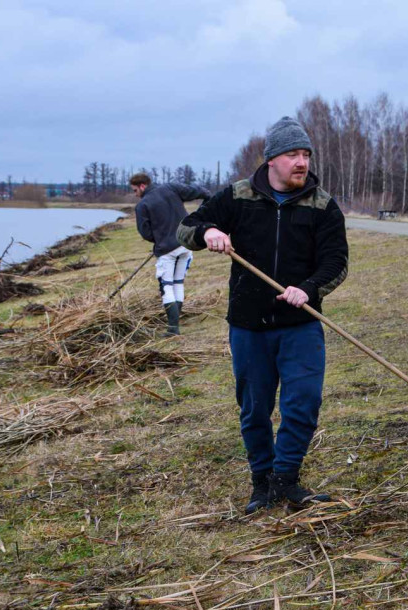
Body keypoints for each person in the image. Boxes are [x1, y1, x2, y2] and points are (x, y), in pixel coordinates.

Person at [177, 116, 348, 513]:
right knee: (254, 407)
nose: (301, 162)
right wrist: (207, 233)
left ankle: (286, 480)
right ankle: (261, 483)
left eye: (305, 154)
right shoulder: (236, 197)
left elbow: (336, 262)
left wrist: (307, 288)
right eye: (293, 154)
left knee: (302, 402)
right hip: (249, 326)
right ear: (271, 159)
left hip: (301, 324)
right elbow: (186, 229)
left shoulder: (322, 205)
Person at [131, 172, 211, 336]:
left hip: (167, 250)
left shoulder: (142, 206)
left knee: (167, 286)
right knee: (178, 283)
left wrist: (160, 239)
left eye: (134, 190)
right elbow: (203, 193)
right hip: (186, 245)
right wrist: (201, 215)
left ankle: (173, 329)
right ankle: (174, 326)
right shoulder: (171, 188)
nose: (135, 194)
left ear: (142, 186)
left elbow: (146, 233)